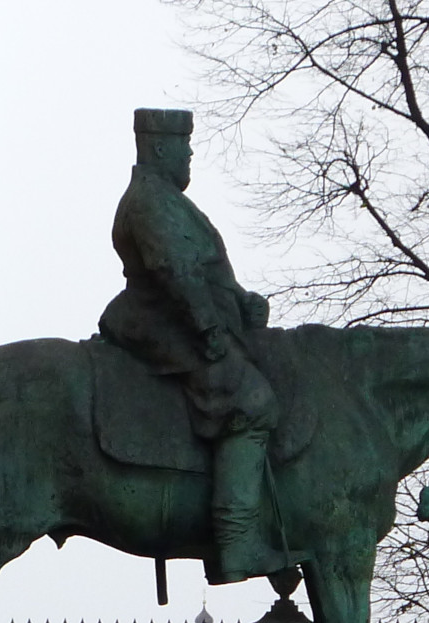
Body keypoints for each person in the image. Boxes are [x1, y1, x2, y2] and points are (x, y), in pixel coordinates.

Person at [98, 108, 303, 582]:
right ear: (162, 147)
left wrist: (244, 302)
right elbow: (177, 274)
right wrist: (210, 330)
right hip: (166, 325)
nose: (190, 156)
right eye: (185, 147)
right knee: (252, 402)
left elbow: (209, 273)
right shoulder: (149, 200)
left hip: (188, 322)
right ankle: (238, 544)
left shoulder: (169, 200)